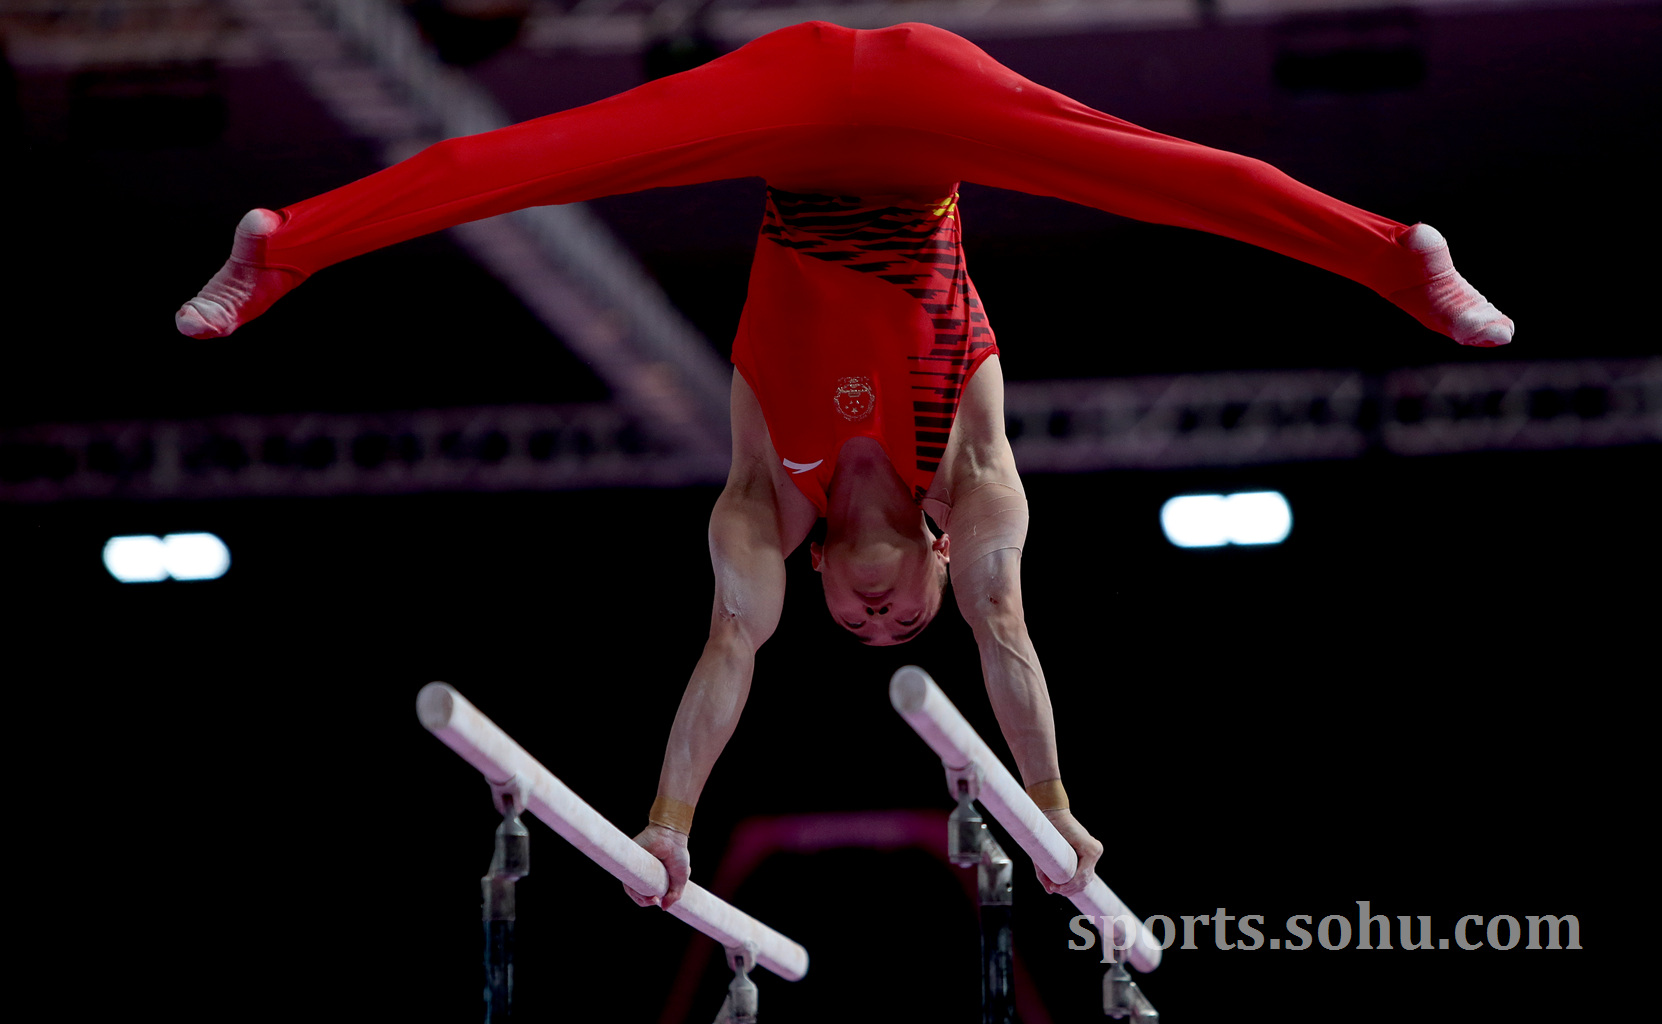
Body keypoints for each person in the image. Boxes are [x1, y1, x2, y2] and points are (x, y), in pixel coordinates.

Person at [175, 20, 1511, 909]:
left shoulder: (761, 507)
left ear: (816, 579)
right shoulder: (973, 481)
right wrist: (1051, 806)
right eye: (900, 618)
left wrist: (669, 822)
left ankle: (275, 249)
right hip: (930, 117)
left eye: (854, 625)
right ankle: (1400, 259)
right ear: (936, 560)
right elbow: (1005, 630)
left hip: (791, 119)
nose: (876, 618)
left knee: (545, 161)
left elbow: (724, 657)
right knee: (1149, 171)